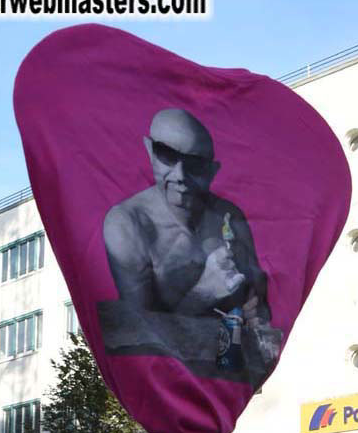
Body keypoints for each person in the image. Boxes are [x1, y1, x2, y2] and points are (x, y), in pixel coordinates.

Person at [98, 109, 281, 386]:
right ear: (149, 149)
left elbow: (260, 305)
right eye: (167, 155)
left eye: (194, 164)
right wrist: (204, 292)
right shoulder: (128, 223)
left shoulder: (229, 216)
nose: (180, 175)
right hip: (169, 385)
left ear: (211, 170)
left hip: (231, 378)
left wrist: (256, 312)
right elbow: (142, 335)